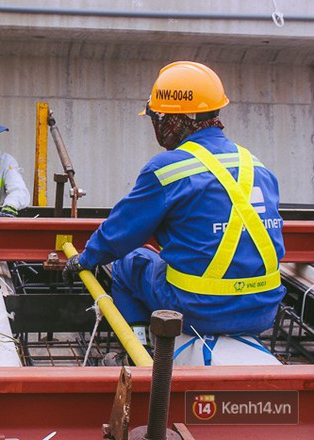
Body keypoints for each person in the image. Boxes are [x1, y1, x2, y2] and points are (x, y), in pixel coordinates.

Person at [63, 61, 286, 345]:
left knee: (128, 262)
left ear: (173, 120)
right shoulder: (257, 166)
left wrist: (84, 259)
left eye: (157, 119)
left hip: (196, 310)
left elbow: (119, 234)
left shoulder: (168, 169)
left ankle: (139, 347)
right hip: (263, 311)